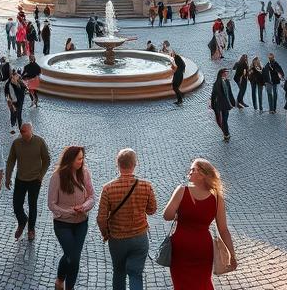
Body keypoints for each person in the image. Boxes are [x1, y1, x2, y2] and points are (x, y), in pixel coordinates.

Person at [162, 158, 236, 289]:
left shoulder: (181, 190)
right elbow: (223, 230)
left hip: (181, 246)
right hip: (203, 246)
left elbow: (167, 216)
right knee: (203, 282)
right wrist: (232, 254)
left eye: (193, 170)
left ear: (202, 174)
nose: (189, 172)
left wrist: (179, 214)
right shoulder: (217, 198)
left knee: (181, 284)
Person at [96, 148, 157, 290]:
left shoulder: (108, 189)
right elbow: (152, 210)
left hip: (117, 239)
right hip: (139, 238)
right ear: (135, 164)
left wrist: (105, 233)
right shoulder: (146, 186)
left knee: (118, 272)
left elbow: (101, 218)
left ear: (117, 164)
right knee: (136, 274)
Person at [48, 146, 95, 290]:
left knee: (74, 257)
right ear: (70, 159)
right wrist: (69, 212)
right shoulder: (57, 176)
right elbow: (51, 204)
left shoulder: (85, 173)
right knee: (73, 256)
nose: (82, 161)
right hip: (62, 224)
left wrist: (84, 207)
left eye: (82, 158)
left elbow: (92, 197)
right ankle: (62, 281)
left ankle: (65, 284)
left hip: (81, 223)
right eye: (79, 159)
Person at [6, 123, 51, 241]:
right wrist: (8, 177)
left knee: (32, 205)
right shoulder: (16, 143)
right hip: (20, 179)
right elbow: (11, 160)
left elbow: (47, 160)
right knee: (17, 205)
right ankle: (22, 220)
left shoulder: (40, 142)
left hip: (35, 180)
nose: (22, 133)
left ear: (31, 131)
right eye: (21, 131)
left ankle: (31, 229)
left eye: (24, 131)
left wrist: (41, 176)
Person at [210, 68, 236, 142]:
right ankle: (226, 134)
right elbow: (213, 94)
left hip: (226, 103)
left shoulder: (227, 81)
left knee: (225, 119)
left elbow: (230, 92)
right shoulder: (217, 83)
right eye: (226, 73)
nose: (227, 74)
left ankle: (226, 134)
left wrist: (233, 102)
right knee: (224, 120)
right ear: (222, 74)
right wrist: (212, 104)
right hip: (221, 104)